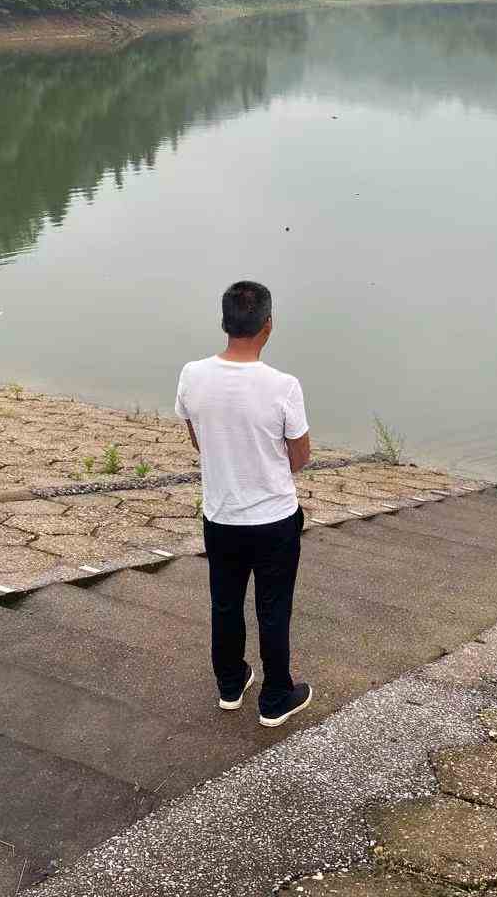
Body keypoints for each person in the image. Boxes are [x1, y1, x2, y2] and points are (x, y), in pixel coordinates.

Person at [176, 281, 313, 728]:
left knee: (225, 602)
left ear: (224, 322)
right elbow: (299, 457)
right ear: (268, 325)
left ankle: (231, 684)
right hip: (274, 518)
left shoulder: (192, 375)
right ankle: (276, 696)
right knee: (273, 607)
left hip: (221, 514)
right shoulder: (283, 386)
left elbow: (198, 439)